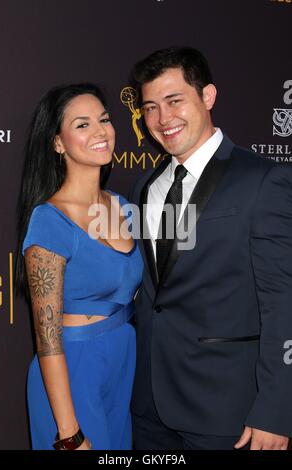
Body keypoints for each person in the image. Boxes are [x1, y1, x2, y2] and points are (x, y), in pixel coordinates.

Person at [129, 47, 292, 450]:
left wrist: (277, 410)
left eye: (174, 101)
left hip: (227, 411)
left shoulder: (262, 180)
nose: (163, 119)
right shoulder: (147, 186)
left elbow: (283, 303)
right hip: (149, 407)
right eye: (150, 107)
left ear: (208, 97)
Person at [15, 83, 143, 450]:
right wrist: (69, 434)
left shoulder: (123, 206)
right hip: (73, 369)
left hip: (122, 361)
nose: (101, 131)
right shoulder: (49, 220)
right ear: (58, 143)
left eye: (103, 119)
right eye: (82, 124)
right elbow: (47, 340)